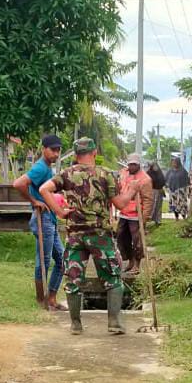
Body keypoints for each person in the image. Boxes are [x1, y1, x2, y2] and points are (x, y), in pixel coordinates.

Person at [39, 138, 137, 335]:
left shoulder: (66, 174)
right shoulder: (105, 174)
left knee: (74, 279)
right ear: (95, 152)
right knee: (113, 278)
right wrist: (133, 190)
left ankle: (75, 324)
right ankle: (114, 323)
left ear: (75, 155)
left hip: (76, 235)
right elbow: (120, 204)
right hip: (100, 235)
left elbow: (44, 190)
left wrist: (59, 212)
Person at [13, 134, 65, 311]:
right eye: (53, 150)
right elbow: (18, 183)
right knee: (43, 260)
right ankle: (40, 299)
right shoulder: (40, 168)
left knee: (61, 259)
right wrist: (34, 201)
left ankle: (51, 298)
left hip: (50, 219)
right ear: (44, 149)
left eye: (58, 150)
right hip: (42, 219)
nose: (56, 154)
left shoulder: (47, 168)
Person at [117, 153, 154, 276]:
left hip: (136, 215)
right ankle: (130, 261)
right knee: (121, 237)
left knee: (137, 240)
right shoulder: (123, 173)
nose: (131, 167)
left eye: (134, 164)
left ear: (139, 165)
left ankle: (137, 264)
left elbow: (148, 200)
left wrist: (144, 218)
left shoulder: (145, 179)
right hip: (123, 212)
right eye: (130, 164)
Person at [166, 154, 190, 219]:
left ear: (178, 162)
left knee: (182, 205)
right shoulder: (170, 171)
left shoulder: (183, 171)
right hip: (173, 191)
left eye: (175, 162)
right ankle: (176, 217)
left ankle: (184, 217)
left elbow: (187, 181)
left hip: (181, 191)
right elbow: (166, 179)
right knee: (174, 205)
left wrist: (187, 191)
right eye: (173, 163)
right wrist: (167, 187)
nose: (174, 164)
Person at [147, 160, 166, 226]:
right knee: (151, 206)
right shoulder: (149, 173)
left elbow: (163, 181)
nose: (155, 168)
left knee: (158, 206)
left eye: (156, 166)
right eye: (154, 166)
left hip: (159, 191)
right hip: (152, 191)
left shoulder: (159, 172)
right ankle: (148, 219)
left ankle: (158, 220)